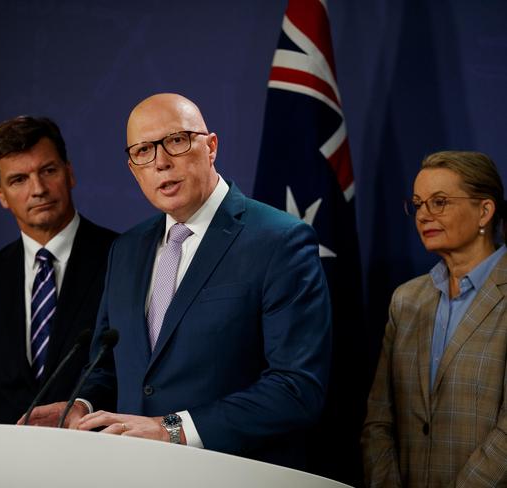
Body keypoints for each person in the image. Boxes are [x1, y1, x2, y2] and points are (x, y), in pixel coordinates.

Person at [24, 93, 331, 469]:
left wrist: (171, 429)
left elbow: (296, 389)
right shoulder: (126, 249)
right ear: (133, 168)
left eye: (176, 141)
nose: (161, 162)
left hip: (234, 472)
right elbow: (108, 366)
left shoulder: (278, 240)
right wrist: (81, 406)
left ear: (211, 146)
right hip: (134, 473)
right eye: (143, 151)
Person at [0, 116, 117, 424]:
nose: (38, 189)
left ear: (69, 174)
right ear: (0, 194)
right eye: (19, 180)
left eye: (48, 171)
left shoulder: (122, 257)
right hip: (6, 465)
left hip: (98, 457)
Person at [361, 150, 507, 486]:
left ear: (484, 210)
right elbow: (379, 420)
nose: (424, 215)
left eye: (439, 202)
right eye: (418, 204)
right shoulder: (407, 300)